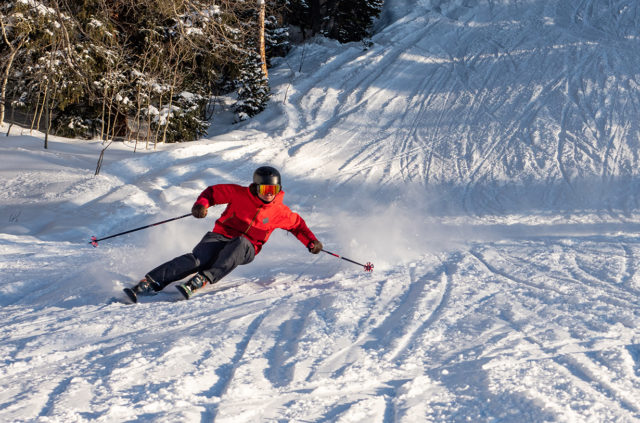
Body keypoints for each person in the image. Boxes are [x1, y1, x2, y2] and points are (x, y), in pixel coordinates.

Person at [125, 166, 323, 301]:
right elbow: (211, 193)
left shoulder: (280, 211)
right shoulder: (238, 193)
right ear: (256, 187)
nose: (269, 193)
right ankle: (151, 282)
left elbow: (298, 226)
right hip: (220, 235)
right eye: (265, 188)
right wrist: (201, 205)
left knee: (241, 243)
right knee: (197, 259)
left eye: (274, 188)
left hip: (248, 247)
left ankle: (203, 279)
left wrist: (311, 242)